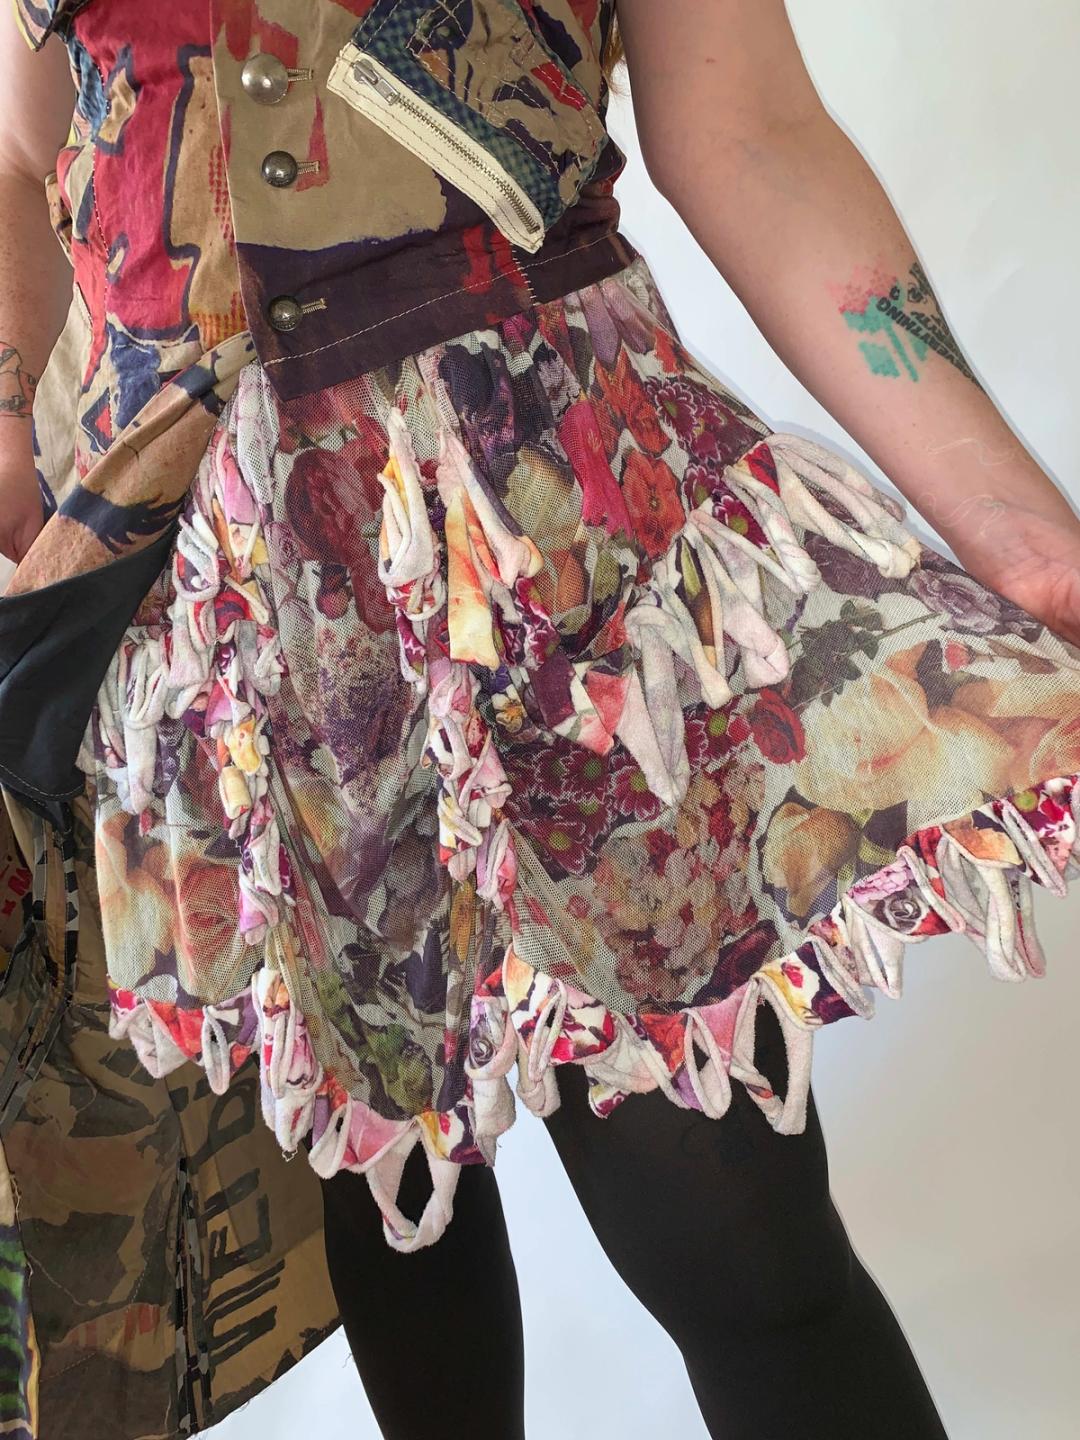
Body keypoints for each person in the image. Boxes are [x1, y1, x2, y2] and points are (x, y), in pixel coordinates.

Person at [0, 3, 1078, 1438]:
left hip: (560, 543)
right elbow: (31, 152)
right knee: (399, 1205)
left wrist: (1023, 541)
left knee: (737, 1243)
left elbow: (750, 132)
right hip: (238, 603)